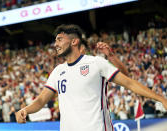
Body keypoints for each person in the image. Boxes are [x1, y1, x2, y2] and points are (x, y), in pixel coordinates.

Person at [15, 24, 167, 131]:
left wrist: (161, 99)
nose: (56, 44)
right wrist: (25, 110)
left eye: (59, 39)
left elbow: (129, 82)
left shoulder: (96, 63)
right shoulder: (57, 71)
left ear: (74, 41)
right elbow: (41, 100)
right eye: (55, 40)